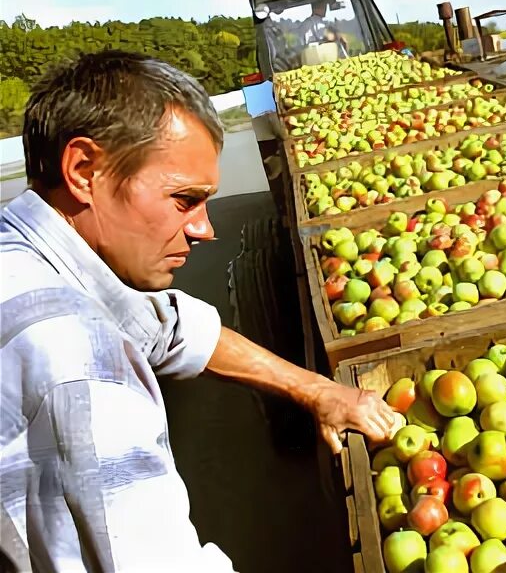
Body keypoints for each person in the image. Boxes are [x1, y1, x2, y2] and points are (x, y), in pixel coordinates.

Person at [0, 51, 394, 571]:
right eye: (184, 199)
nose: (205, 230)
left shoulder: (27, 252)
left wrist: (319, 390)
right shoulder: (77, 363)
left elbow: (170, 327)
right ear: (83, 170)